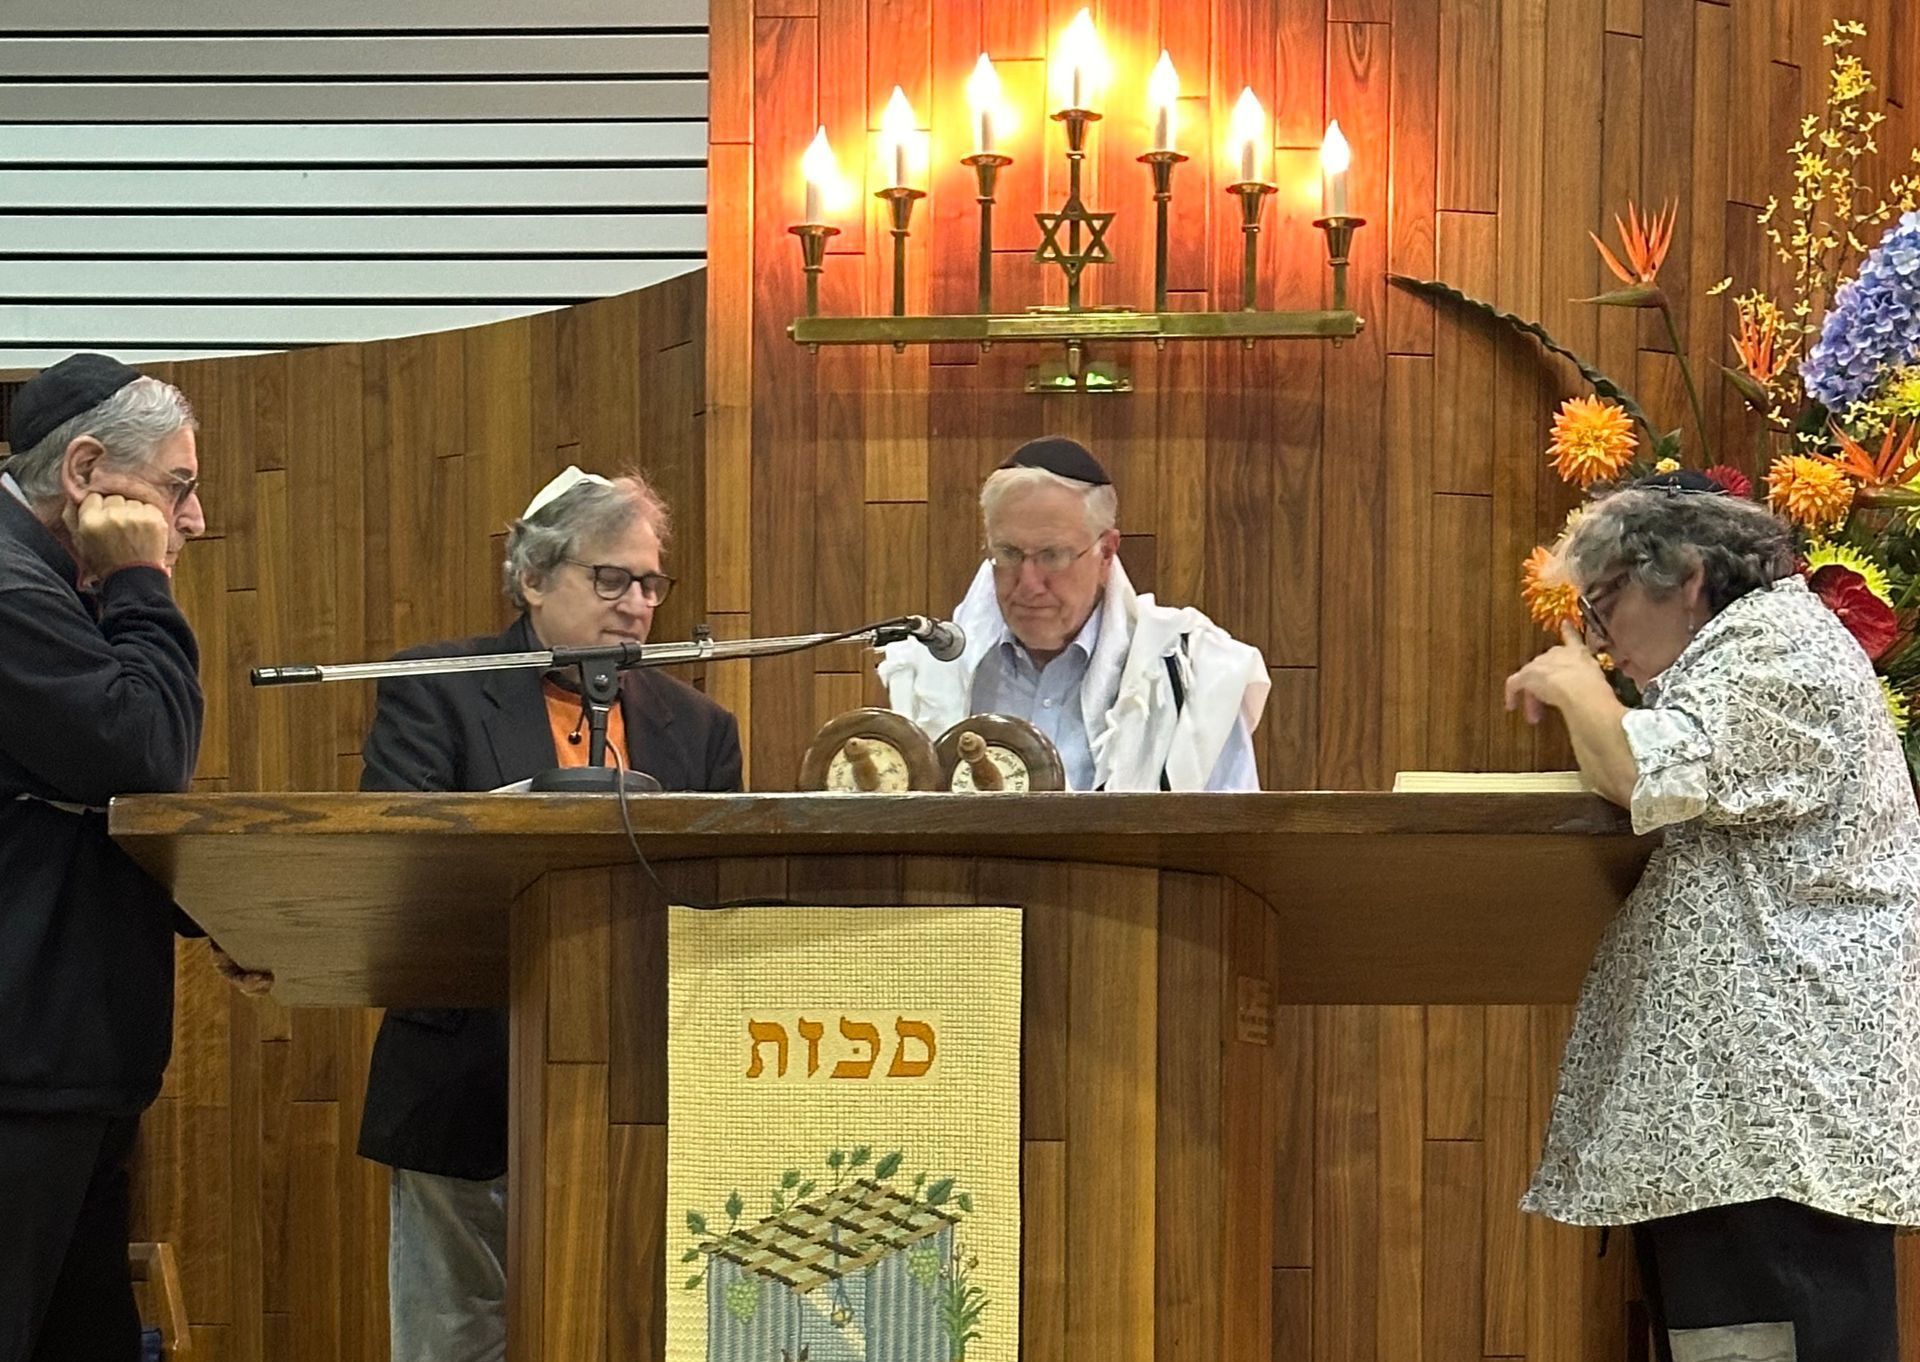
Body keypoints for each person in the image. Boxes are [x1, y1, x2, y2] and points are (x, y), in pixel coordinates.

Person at [1504, 472, 1920, 1362]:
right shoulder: (1741, 655)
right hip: (1737, 1128)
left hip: (1773, 1128)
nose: (1601, 636)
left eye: (1605, 599)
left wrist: (1577, 684)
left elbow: (1642, 774)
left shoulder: (1777, 652)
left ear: (1687, 573)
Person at [357, 465, 742, 1362]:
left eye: (650, 582)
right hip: (468, 1074)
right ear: (533, 578)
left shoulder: (699, 728)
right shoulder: (439, 686)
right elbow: (394, 859)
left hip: (645, 1082)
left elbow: (716, 902)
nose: (637, 605)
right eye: (610, 579)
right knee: (457, 1339)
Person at [0, 353, 267, 1361]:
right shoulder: (13, 592)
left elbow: (95, 808)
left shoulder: (48, 582)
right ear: (85, 472)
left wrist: (239, 913)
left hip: (61, 1066)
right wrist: (140, 580)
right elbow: (146, 757)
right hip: (20, 1073)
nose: (193, 520)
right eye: (178, 487)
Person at [877, 436, 1268, 790]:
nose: (1029, 583)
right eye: (1009, 554)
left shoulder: (1191, 673)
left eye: (1053, 555)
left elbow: (1236, 839)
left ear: (1107, 553)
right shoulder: (930, 673)